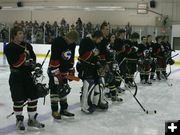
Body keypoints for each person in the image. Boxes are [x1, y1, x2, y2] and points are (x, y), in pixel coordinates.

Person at [4, 26, 45, 132]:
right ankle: (19, 121)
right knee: (18, 100)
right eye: (20, 33)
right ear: (14, 35)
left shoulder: (28, 46)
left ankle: (32, 120)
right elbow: (15, 63)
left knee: (33, 98)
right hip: (16, 77)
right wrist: (24, 54)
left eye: (22, 33)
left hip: (28, 76)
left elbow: (33, 60)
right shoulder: (9, 47)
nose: (22, 35)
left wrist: (36, 67)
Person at [48, 30, 79, 120]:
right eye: (71, 40)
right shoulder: (57, 41)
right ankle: (54, 110)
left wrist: (70, 69)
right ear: (67, 37)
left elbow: (71, 57)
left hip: (64, 70)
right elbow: (54, 56)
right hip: (55, 69)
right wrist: (56, 72)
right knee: (54, 89)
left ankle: (64, 109)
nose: (71, 42)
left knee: (63, 90)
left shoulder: (72, 44)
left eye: (73, 41)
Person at [77, 30, 108, 114]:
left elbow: (96, 56)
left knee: (97, 85)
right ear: (96, 37)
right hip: (85, 67)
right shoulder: (85, 41)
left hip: (93, 68)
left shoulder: (96, 43)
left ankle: (95, 102)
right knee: (88, 86)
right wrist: (92, 54)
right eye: (100, 39)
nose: (101, 40)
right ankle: (84, 106)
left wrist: (99, 64)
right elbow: (82, 55)